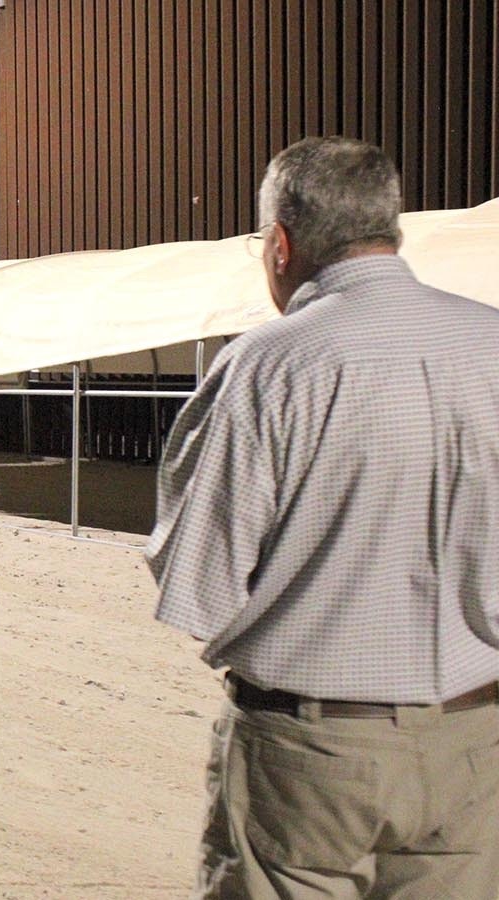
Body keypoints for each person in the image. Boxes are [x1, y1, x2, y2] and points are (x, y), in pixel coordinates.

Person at [146, 137, 499, 898]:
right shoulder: (493, 343)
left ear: (280, 243)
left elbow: (198, 586)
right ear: (390, 231)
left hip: (310, 750)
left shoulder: (268, 364)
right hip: (478, 742)